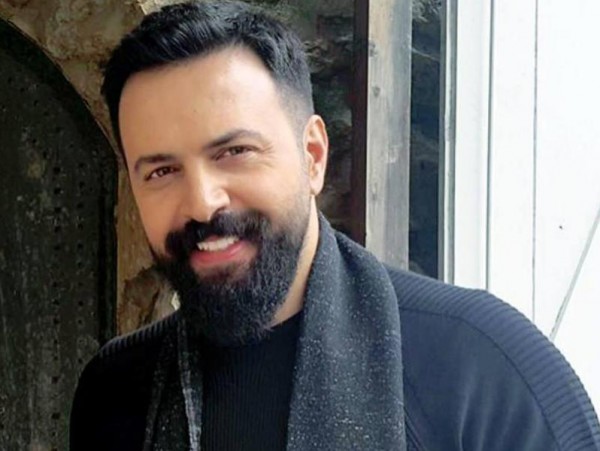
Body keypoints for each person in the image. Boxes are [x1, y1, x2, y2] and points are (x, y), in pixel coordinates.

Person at [69, 1, 600, 450]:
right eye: (162, 172)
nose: (203, 204)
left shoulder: (480, 370)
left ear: (313, 156)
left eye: (234, 152)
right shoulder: (114, 394)